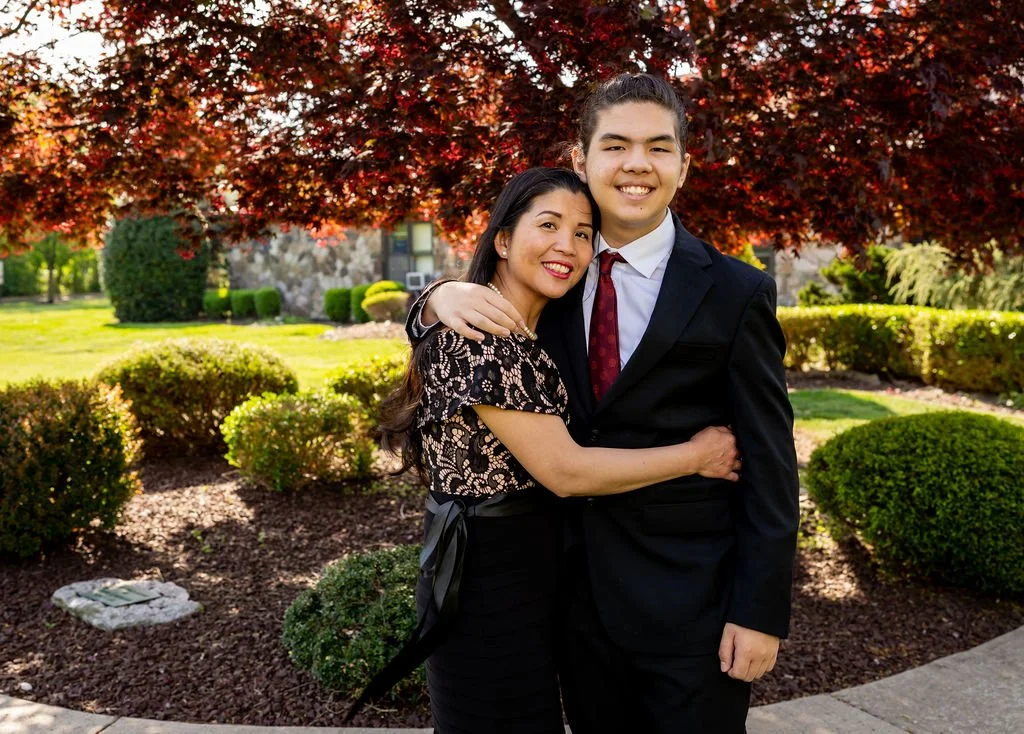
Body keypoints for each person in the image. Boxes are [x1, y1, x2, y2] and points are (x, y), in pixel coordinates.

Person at [408, 74, 800, 733]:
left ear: (682, 163)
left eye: (658, 146)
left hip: (690, 613)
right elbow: (482, 323)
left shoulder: (736, 293)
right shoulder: (555, 277)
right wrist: (432, 302)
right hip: (568, 609)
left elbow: (770, 465)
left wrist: (759, 612)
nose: (637, 164)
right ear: (581, 160)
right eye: (616, 145)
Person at [357, 166, 741, 733]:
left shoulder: (544, 325)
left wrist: (434, 295)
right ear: (504, 239)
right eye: (550, 225)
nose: (568, 245)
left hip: (541, 576)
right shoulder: (480, 341)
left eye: (584, 232)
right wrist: (696, 456)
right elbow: (565, 470)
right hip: (485, 584)